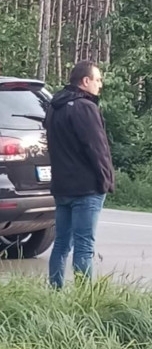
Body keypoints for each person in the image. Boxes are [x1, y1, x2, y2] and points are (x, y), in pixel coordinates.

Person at [44, 60, 115, 289]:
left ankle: (55, 290)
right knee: (84, 246)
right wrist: (106, 180)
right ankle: (85, 297)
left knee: (61, 243)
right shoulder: (85, 107)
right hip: (86, 188)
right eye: (97, 79)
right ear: (85, 81)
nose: (100, 85)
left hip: (62, 186)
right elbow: (97, 148)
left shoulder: (55, 106)